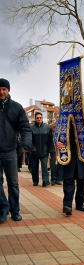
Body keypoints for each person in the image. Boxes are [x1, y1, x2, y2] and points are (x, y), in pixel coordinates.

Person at [0, 78, 32, 222]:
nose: (1, 92)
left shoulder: (16, 107)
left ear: (8, 90)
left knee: (13, 182)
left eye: (4, 89)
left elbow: (25, 127)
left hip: (10, 150)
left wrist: (26, 142)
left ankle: (15, 210)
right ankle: (3, 207)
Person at [57, 120, 84, 216]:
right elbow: (58, 134)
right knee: (68, 180)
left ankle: (80, 203)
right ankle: (67, 205)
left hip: (82, 154)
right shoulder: (64, 119)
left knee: (81, 180)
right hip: (69, 154)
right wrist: (58, 142)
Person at [30, 112, 53, 187]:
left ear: (42, 118)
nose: (39, 119)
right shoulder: (31, 128)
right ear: (35, 119)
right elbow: (29, 139)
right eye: (37, 118)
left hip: (44, 151)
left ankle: (45, 181)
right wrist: (32, 147)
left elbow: (50, 140)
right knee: (34, 167)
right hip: (34, 151)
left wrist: (50, 151)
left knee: (44, 167)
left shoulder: (47, 128)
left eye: (40, 118)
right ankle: (35, 181)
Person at [50, 112, 63, 186]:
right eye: (57, 117)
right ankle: (53, 179)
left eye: (60, 117)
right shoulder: (51, 126)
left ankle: (58, 178)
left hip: (61, 149)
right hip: (54, 149)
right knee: (53, 165)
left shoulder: (64, 127)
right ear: (55, 118)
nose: (58, 118)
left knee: (60, 165)